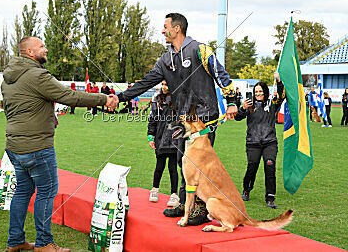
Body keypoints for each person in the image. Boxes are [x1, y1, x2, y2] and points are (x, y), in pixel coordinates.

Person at [117, 13, 237, 226]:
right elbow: (145, 83)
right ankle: (184, 203)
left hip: (203, 118)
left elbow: (220, 74)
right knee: (184, 162)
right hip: (182, 119)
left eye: (165, 27)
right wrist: (119, 98)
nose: (162, 31)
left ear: (177, 28)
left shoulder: (199, 49)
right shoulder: (165, 60)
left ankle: (200, 207)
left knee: (200, 165)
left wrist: (231, 100)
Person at [1, 36, 118, 252]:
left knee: (22, 191)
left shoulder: (8, 78)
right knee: (46, 191)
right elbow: (70, 96)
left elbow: (12, 110)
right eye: (42, 47)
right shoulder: (37, 75)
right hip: (36, 146)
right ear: (29, 52)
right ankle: (44, 243)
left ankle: (15, 241)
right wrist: (104, 99)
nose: (45, 50)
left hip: (14, 145)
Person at [235, 73, 284, 209]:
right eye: (256, 91)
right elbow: (237, 118)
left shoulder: (272, 103)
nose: (258, 94)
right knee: (252, 167)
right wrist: (243, 108)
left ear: (265, 92)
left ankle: (270, 198)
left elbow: (281, 96)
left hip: (269, 142)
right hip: (253, 143)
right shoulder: (249, 105)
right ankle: (246, 189)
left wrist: (279, 81)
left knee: (270, 166)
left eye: (260, 91)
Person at [147, 80, 179, 207]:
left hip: (174, 139)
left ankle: (174, 195)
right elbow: (152, 120)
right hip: (160, 139)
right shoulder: (156, 99)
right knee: (159, 166)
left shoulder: (179, 99)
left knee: (173, 168)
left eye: (167, 84)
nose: (165, 87)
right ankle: (154, 190)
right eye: (163, 84)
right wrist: (151, 137)